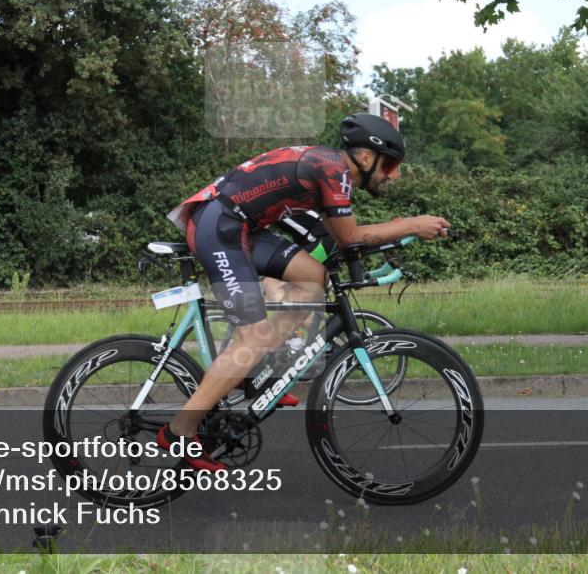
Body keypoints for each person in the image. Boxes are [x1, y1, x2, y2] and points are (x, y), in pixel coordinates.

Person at [160, 113, 451, 471]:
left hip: (241, 226)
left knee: (312, 276)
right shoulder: (331, 169)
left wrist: (391, 235)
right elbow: (350, 237)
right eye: (390, 164)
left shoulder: (330, 170)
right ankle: (179, 431)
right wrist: (409, 224)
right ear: (364, 157)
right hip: (219, 227)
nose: (394, 174)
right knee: (254, 338)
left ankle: (254, 376)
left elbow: (336, 241)